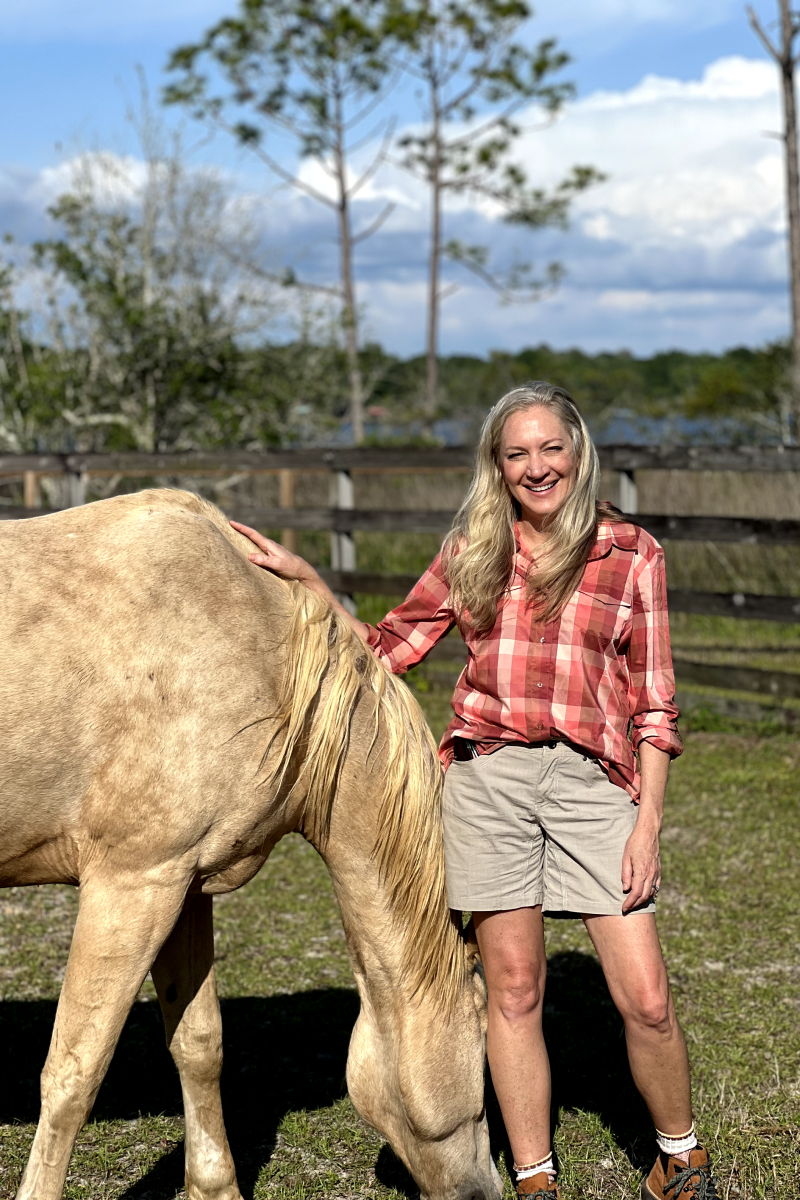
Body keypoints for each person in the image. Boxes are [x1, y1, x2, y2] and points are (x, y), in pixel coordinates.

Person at [231, 383, 719, 1200]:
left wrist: (648, 824)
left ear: (577, 450)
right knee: (516, 988)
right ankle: (533, 1176)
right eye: (517, 453)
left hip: (595, 785)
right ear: (498, 466)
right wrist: (311, 581)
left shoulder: (632, 552)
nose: (537, 467)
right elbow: (388, 647)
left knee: (647, 998)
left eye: (550, 448)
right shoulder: (474, 550)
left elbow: (656, 703)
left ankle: (681, 1158)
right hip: (487, 783)